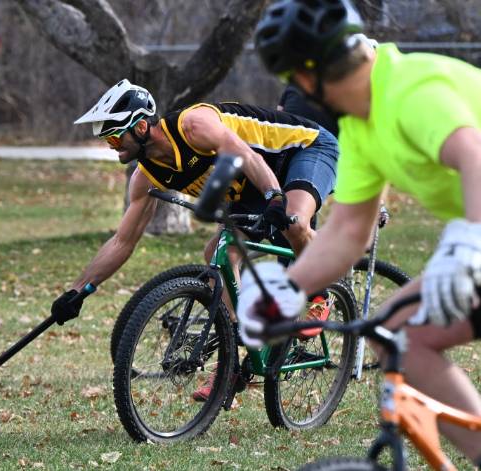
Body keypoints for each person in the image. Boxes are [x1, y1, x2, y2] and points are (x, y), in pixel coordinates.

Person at [236, 0, 481, 464]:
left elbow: (475, 154)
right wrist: (290, 288)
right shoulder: (359, 124)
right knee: (397, 334)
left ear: (305, 80)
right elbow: (349, 229)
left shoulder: (410, 89)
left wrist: (469, 242)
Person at [50, 78, 338, 344]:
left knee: (295, 222)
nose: (112, 147)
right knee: (219, 254)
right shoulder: (146, 175)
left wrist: (275, 197)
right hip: (250, 184)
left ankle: (320, 294)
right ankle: (232, 354)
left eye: (114, 139)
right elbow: (122, 242)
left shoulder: (193, 125)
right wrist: (79, 290)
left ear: (140, 127)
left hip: (303, 149)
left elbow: (248, 155)